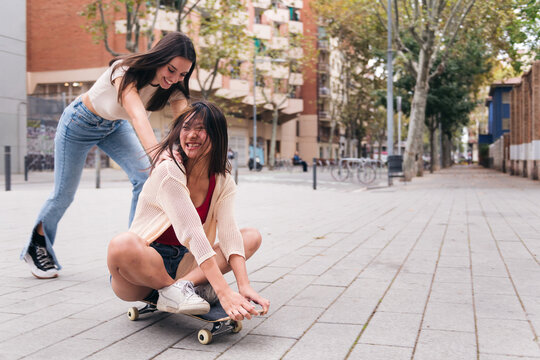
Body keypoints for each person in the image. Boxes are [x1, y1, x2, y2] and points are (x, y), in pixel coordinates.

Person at [21, 32, 196, 279]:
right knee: (64, 194)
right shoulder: (124, 70)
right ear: (159, 57)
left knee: (144, 179)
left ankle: (135, 249)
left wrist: (189, 152)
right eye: (171, 70)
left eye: (182, 74)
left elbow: (183, 121)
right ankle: (37, 243)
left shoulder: (173, 87)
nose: (175, 78)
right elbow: (136, 115)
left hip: (114, 127)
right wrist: (159, 157)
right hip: (79, 123)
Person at [107, 101, 270, 320]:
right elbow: (192, 231)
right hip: (144, 269)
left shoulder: (222, 180)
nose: (191, 134)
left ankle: (183, 287)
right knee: (122, 244)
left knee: (250, 236)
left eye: (201, 128)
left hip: (187, 263)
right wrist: (222, 291)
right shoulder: (169, 170)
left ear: (217, 134)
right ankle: (177, 290)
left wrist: (244, 285)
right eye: (186, 127)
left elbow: (229, 233)